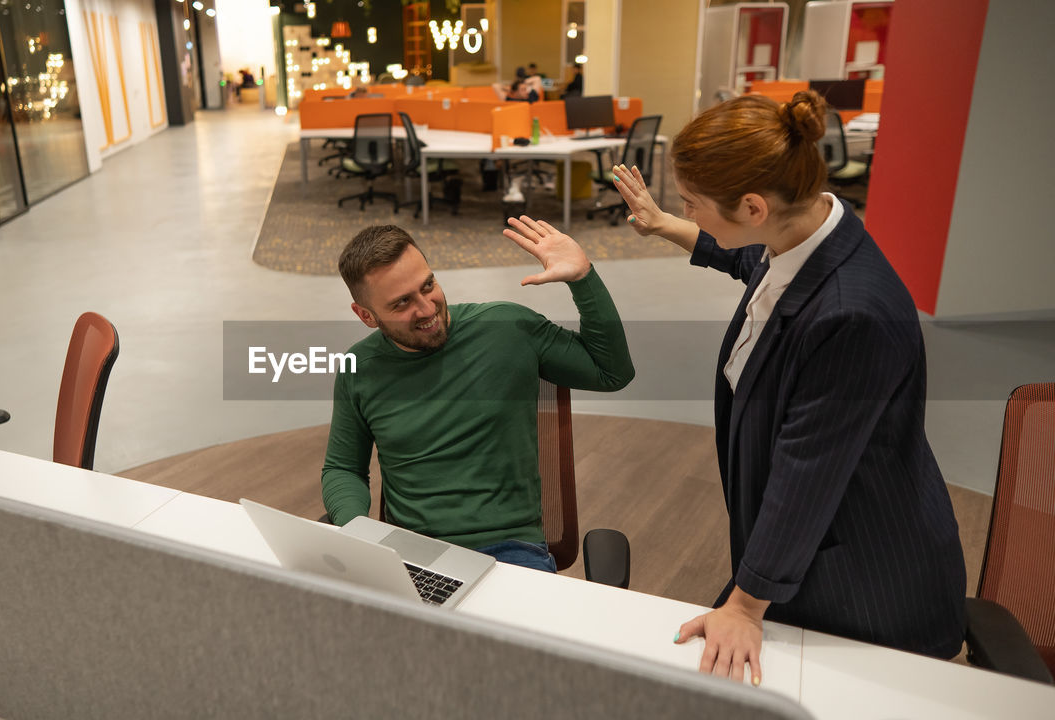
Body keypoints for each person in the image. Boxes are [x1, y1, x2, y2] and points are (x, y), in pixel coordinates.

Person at [611, 91, 966, 683]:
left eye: (692, 204)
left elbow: (809, 470)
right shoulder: (812, 229)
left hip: (865, 583)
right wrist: (665, 224)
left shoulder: (854, 315)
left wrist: (746, 605)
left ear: (752, 207)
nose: (689, 212)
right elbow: (755, 265)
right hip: (812, 548)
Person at [321, 220, 633, 572]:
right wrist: (356, 530)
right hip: (414, 556)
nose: (426, 309)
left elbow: (611, 373)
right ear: (366, 315)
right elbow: (343, 467)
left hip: (512, 553)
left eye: (428, 285)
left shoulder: (507, 328)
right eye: (402, 303)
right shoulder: (359, 367)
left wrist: (582, 279)